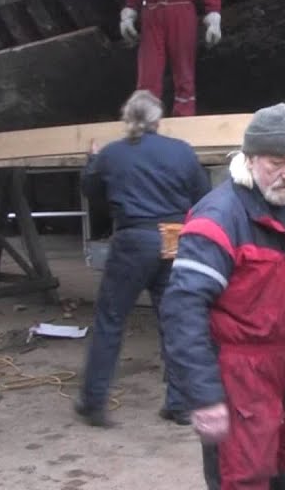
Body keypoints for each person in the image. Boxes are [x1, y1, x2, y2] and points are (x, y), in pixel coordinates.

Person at [161, 103, 285, 490]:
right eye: (277, 162)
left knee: (283, 473)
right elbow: (182, 313)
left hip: (283, 384)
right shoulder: (217, 220)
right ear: (249, 159)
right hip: (236, 390)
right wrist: (204, 396)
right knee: (241, 480)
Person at [74, 90, 213, 427]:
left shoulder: (111, 154)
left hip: (133, 239)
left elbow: (90, 191)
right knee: (174, 320)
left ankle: (94, 402)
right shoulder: (181, 151)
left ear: (127, 119)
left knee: (111, 319)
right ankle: (179, 404)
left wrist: (93, 160)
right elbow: (203, 195)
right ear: (157, 119)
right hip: (172, 237)